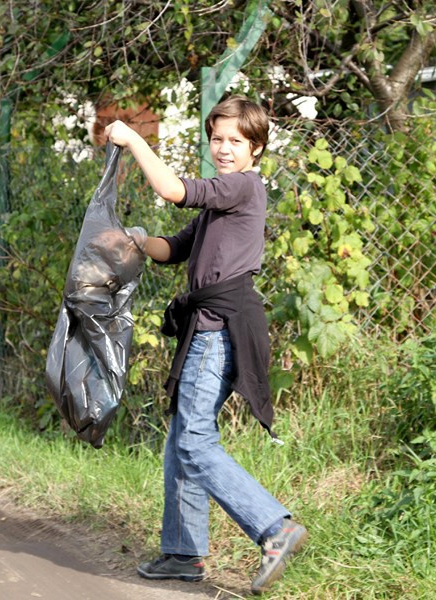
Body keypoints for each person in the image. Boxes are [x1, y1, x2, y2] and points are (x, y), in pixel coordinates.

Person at [103, 96, 307, 595]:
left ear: (256, 149)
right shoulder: (222, 203)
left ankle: (273, 527)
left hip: (219, 329)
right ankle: (183, 553)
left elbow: (173, 189)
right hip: (207, 326)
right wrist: (133, 238)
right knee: (181, 439)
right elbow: (172, 248)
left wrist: (133, 141)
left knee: (194, 440)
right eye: (217, 138)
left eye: (236, 141)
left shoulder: (242, 187)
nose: (223, 148)